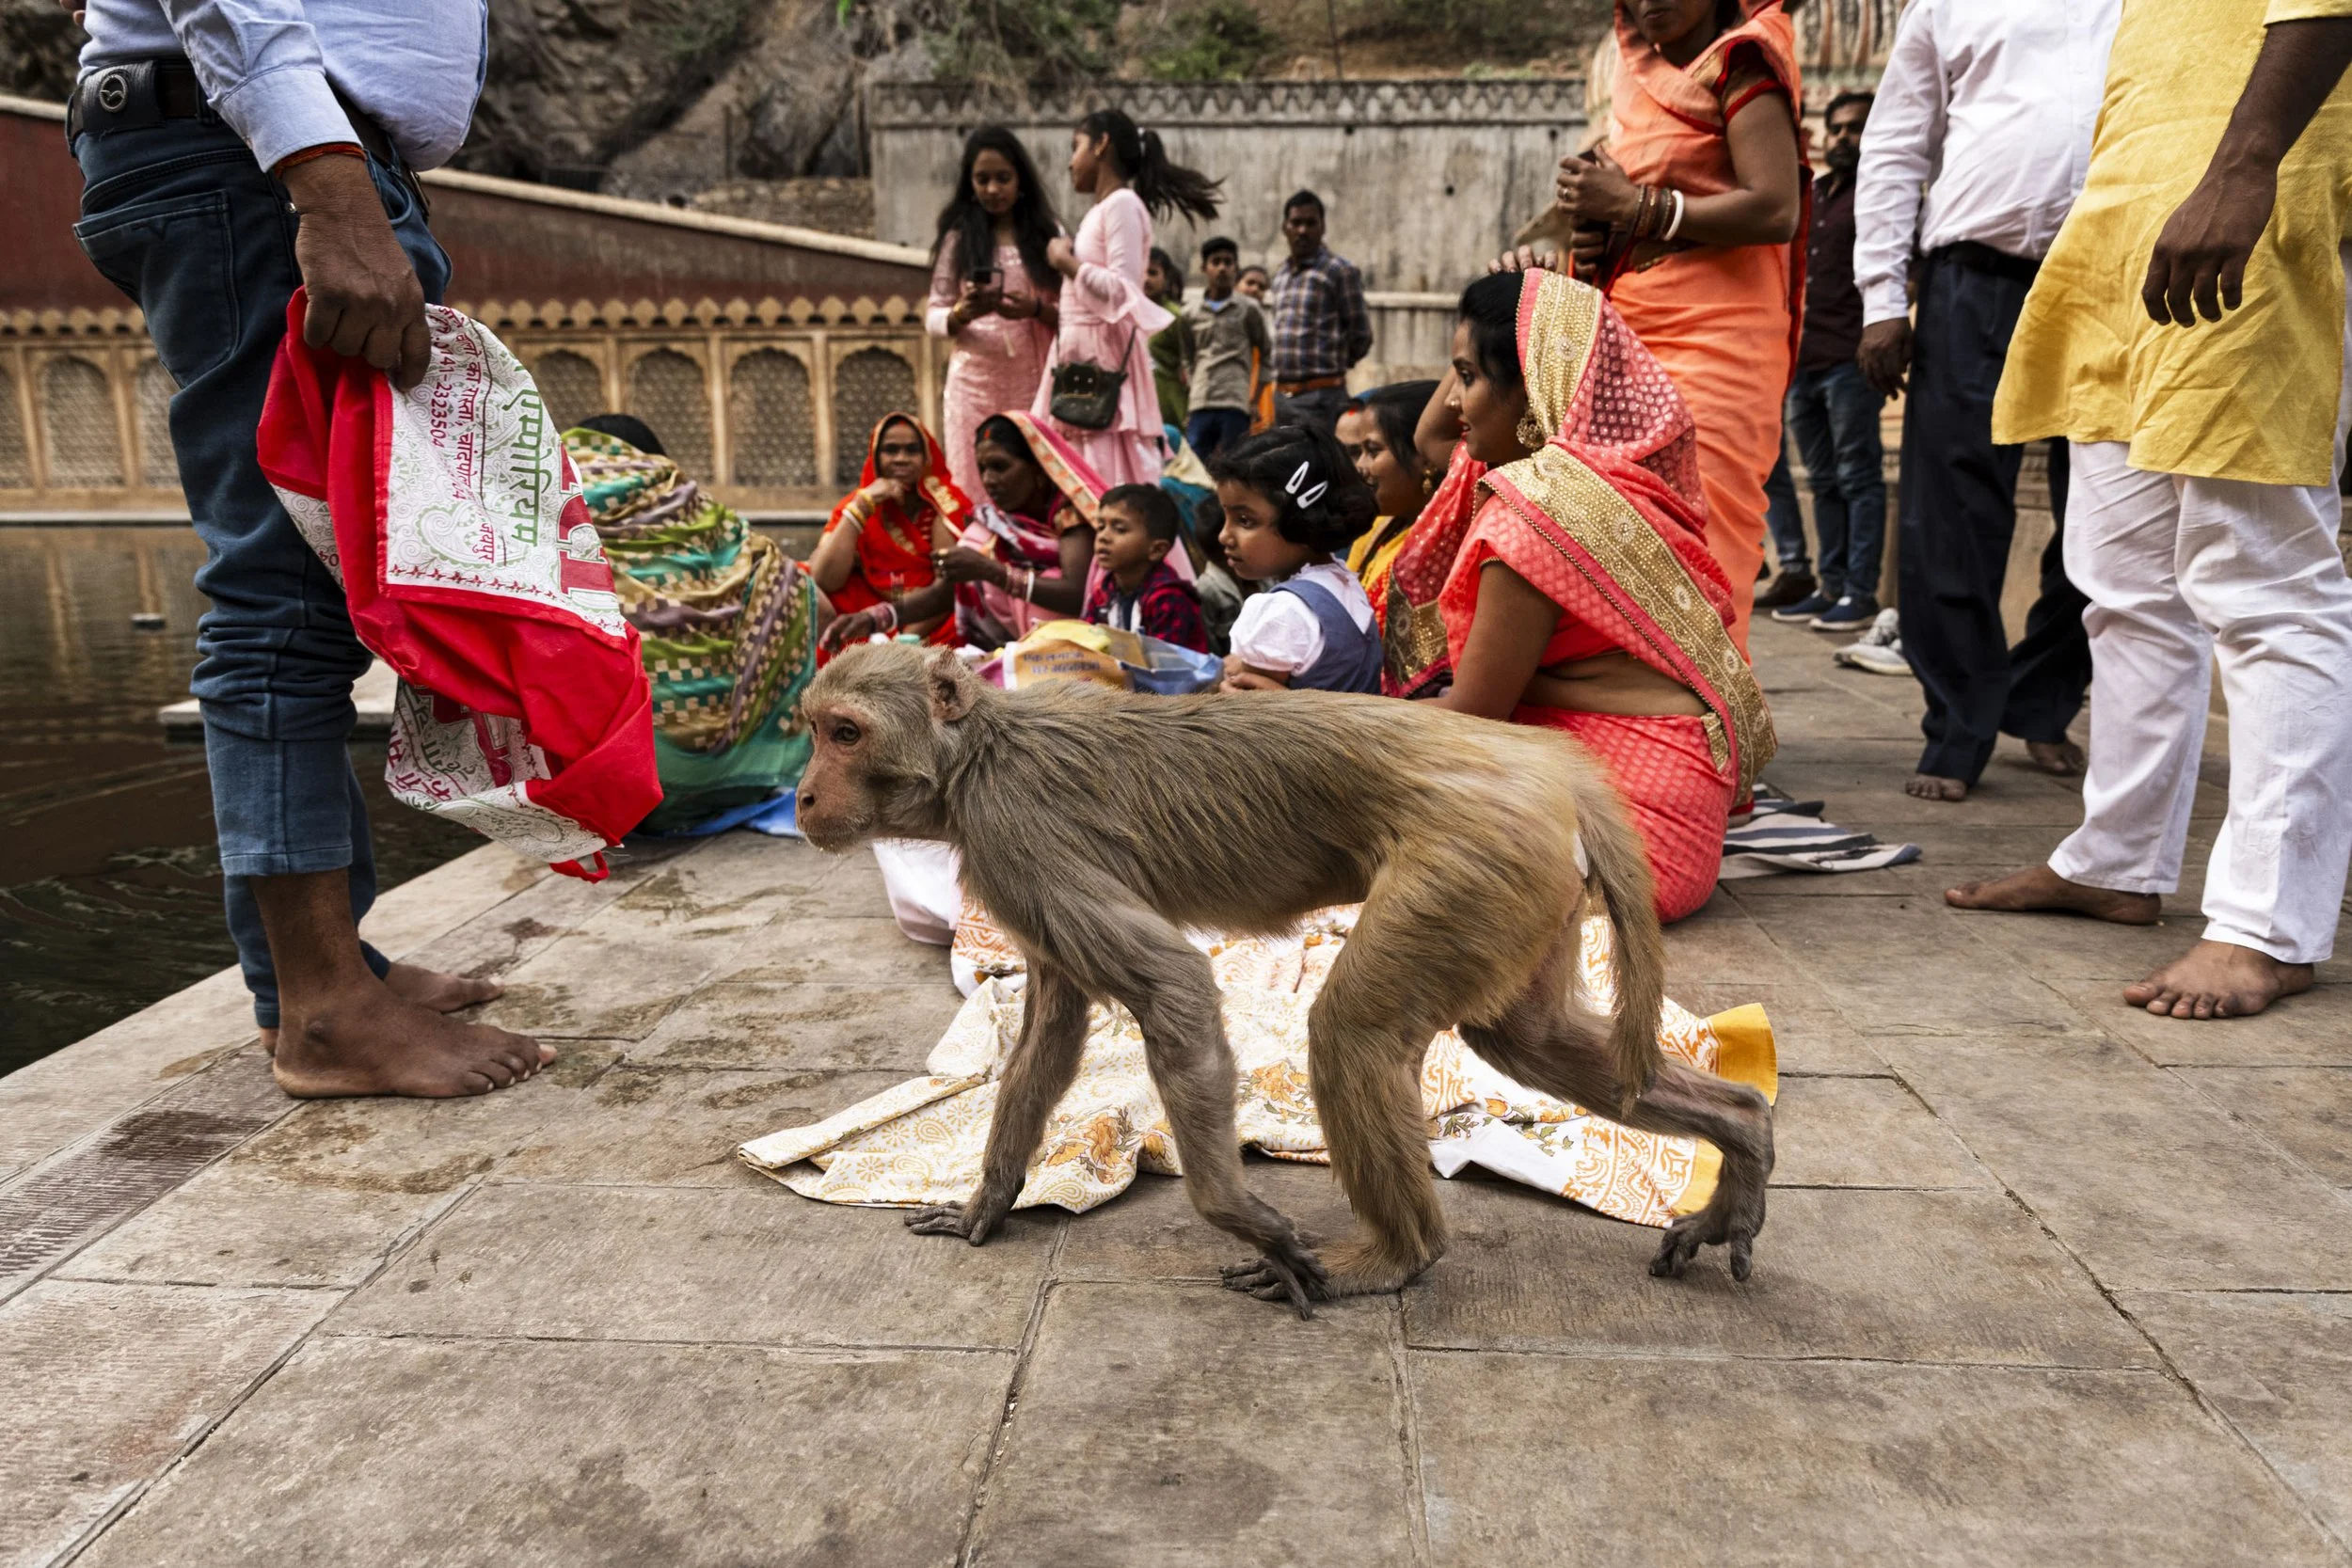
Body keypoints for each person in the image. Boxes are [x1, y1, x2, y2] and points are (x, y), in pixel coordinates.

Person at [67, 0, 548, 1094]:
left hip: (258, 146)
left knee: (320, 585)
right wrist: (327, 182)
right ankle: (325, 1010)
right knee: (281, 587)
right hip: (262, 159)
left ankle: (323, 978)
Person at [1948, 1, 2352, 1021]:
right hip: (2128, 220)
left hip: (2247, 198)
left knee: (2262, 580)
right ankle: (2116, 859)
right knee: (2121, 583)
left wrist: (2244, 167)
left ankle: (2267, 924)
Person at [1393, 267, 1776, 922]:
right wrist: (1513, 303)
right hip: (1675, 797)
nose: (1456, 401)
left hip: (1630, 839)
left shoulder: (1536, 516)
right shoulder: (1602, 484)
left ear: (1535, 389)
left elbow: (1473, 714)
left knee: (1364, 814)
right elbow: (1432, 441)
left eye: (1470, 376)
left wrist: (1312, 724)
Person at [1855, 0, 2119, 800]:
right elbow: (1899, 142)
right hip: (1975, 275)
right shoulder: (1943, 3)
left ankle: (2041, 696)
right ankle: (1959, 720)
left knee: (2111, 509)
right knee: (1954, 508)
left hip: (2115, 277)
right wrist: (1879, 299)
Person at [1546, 0, 1806, 652]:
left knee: (1706, 529)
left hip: (1722, 333)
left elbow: (1776, 208)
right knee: (1624, 525)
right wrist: (1602, 226)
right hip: (1635, 325)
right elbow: (1637, 213)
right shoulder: (1639, 83)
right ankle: (1643, 711)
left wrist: (1637, 205)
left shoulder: (1742, 60)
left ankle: (1712, 716)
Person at [565, 414, 823, 831]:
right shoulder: (710, 522)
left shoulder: (565, 526)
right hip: (744, 781)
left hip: (626, 795)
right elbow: (820, 605)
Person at [1034, 107, 1222, 488]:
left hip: (1101, 361)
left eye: (1076, 147)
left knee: (1105, 480)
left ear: (1102, 145)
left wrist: (1065, 261)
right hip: (1077, 356)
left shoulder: (1122, 205)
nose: (1070, 163)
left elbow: (1123, 290)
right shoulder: (1102, 210)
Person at [824, 410, 1102, 652]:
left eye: (1000, 467)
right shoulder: (991, 526)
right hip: (1010, 652)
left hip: (1075, 652)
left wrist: (991, 571)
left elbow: (1077, 594)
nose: (989, 480)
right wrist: (874, 619)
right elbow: (943, 593)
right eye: (982, 469)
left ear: (1038, 468)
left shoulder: (1070, 516)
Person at [1764, 88, 1887, 632]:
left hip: (1851, 357)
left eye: (1855, 128)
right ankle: (1831, 585)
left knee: (1858, 476)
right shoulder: (1810, 195)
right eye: (1836, 129)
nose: (1843, 138)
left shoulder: (1881, 195)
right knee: (1822, 478)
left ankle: (1860, 593)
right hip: (1803, 359)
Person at [927, 126, 1063, 502]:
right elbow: (934, 317)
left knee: (1036, 477)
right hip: (972, 385)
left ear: (1021, 180)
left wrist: (1034, 309)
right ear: (969, 184)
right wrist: (962, 313)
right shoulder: (958, 239)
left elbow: (1075, 314)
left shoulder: (1049, 236)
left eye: (1002, 178)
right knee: (972, 479)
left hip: (1033, 383)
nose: (992, 189)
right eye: (982, 179)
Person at [1209, 424, 1383, 693]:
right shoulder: (1340, 583)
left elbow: (1248, 714)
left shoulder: (1282, 611)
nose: (1224, 536)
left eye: (1245, 521)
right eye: (1227, 518)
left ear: (1302, 522)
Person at [808, 413, 973, 650]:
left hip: (929, 620)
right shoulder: (861, 503)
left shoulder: (945, 508)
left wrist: (899, 642)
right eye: (891, 450)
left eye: (911, 450)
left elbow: (947, 593)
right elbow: (824, 579)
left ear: (926, 456)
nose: (901, 459)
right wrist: (863, 505)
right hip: (872, 619)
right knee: (805, 583)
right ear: (875, 458)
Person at [1267, 192, 1374, 436]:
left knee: (1320, 467)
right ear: (1285, 227)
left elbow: (1361, 334)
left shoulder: (1339, 271)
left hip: (1322, 397)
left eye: (1310, 223)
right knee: (1286, 468)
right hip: (1282, 397)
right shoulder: (1281, 274)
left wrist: (1334, 366)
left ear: (1322, 227)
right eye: (1296, 223)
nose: (1302, 230)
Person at [1344, 380, 1443, 634]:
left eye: (1373, 451)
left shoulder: (1440, 550)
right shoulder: (1379, 525)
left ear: (1425, 458)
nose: (1360, 466)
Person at [1083, 483, 1211, 651]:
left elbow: (1161, 668)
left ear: (1157, 549)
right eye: (1100, 527)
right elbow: (1087, 643)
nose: (1103, 537)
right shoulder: (1103, 591)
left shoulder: (1168, 598)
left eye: (1119, 529)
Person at [1182, 236, 1271, 460]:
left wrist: (1254, 399)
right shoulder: (1190, 313)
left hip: (1235, 401)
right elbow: (1188, 358)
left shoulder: (1248, 310)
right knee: (1195, 465)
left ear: (1235, 268)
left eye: (1228, 262)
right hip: (1201, 401)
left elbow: (1267, 353)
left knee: (1234, 464)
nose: (1222, 268)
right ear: (1204, 268)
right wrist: (1194, 390)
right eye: (1216, 262)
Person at [1145, 246, 1196, 428]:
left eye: (1152, 273)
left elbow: (1190, 360)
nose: (1146, 279)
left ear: (1166, 279)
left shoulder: (1173, 317)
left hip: (1168, 403)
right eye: (1141, 271)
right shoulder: (1126, 313)